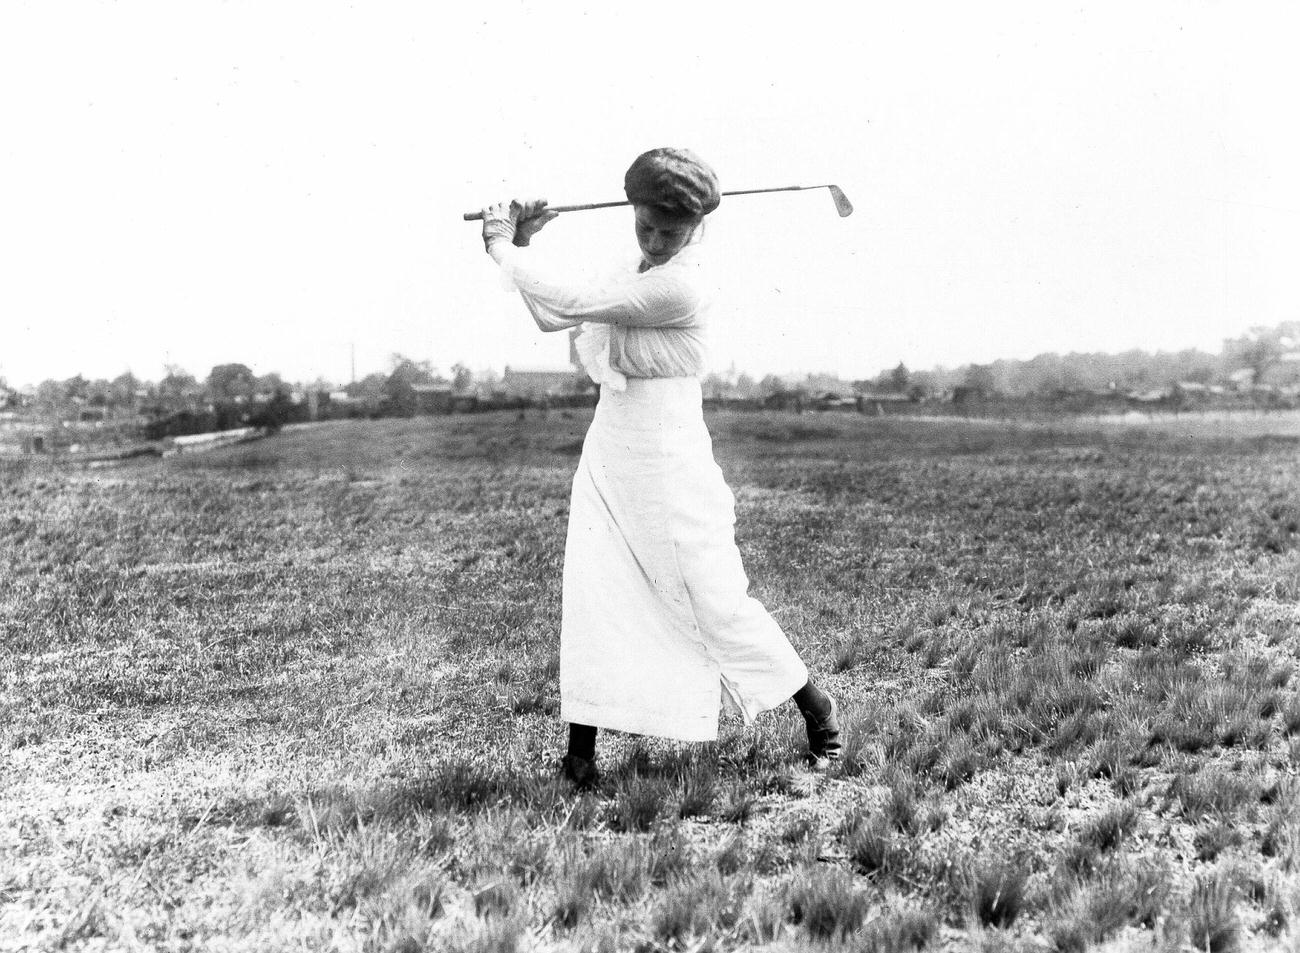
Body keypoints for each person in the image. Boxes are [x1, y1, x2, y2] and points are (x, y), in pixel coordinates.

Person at [480, 147, 840, 789]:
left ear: (697, 226)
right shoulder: (634, 266)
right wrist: (523, 246)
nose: (654, 240)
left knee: (712, 595)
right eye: (644, 225)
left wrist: (503, 246)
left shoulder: (681, 282)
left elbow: (574, 297)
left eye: (669, 231)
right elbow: (554, 313)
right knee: (594, 587)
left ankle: (820, 718)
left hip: (670, 453)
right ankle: (581, 754)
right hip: (611, 445)